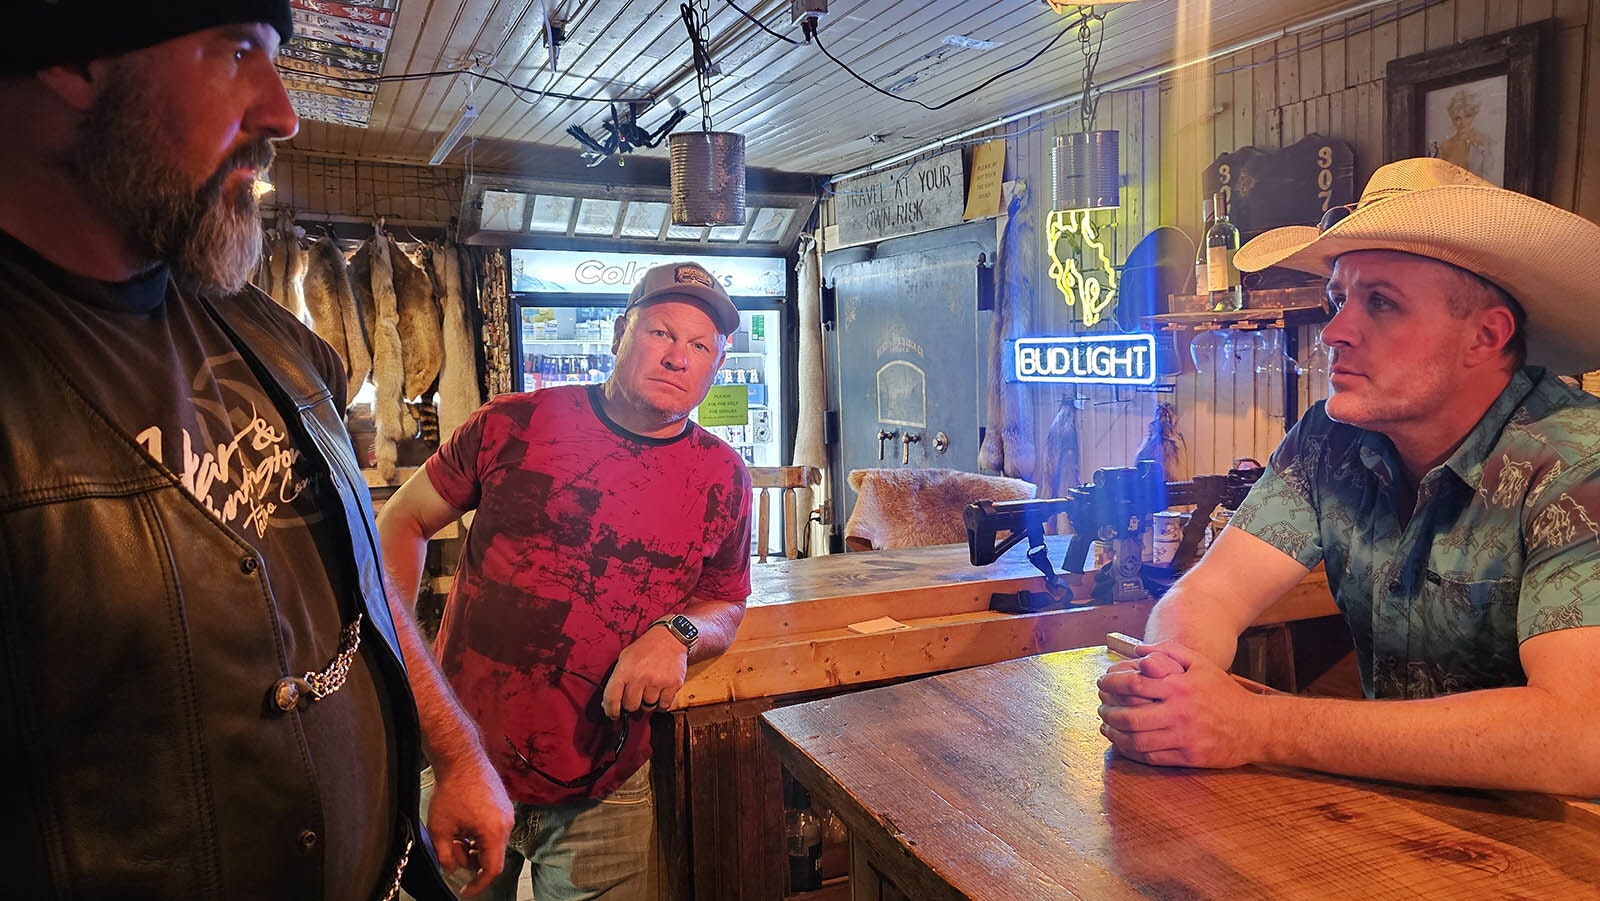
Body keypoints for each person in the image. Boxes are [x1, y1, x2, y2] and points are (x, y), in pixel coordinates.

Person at [0, 2, 511, 898]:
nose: (283, 112)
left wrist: (455, 748)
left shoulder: (275, 339)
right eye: (235, 51)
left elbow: (364, 585)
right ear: (73, 55)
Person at [1097, 158, 1600, 798]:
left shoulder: (1580, 462)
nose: (1334, 332)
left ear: (1485, 336)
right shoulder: (1330, 439)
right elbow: (1211, 593)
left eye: (1381, 303)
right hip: (1401, 829)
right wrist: (1174, 670)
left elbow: (1583, 734)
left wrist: (1262, 726)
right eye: (1339, 299)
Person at [378, 261, 754, 900]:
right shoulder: (513, 424)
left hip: (607, 787)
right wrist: (402, 659)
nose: (677, 358)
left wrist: (679, 633)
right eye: (661, 333)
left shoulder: (722, 476)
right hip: (463, 764)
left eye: (699, 347)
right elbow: (404, 520)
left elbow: (726, 599)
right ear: (618, 334)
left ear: (715, 366)